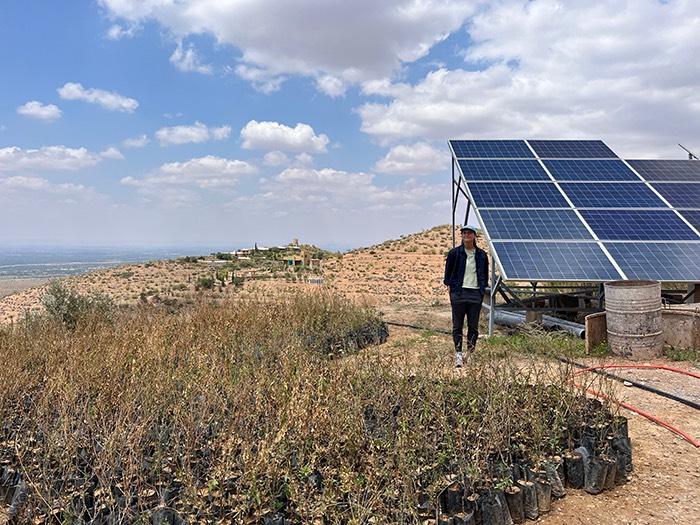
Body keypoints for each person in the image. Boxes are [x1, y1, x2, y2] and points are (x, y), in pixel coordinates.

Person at [443, 225, 489, 367]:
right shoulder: (454, 253)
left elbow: (484, 274)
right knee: (457, 325)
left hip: (475, 293)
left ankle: (470, 354)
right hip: (459, 292)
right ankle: (458, 355)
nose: (466, 235)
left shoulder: (481, 255)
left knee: (473, 326)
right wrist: (451, 290)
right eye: (464, 233)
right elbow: (448, 273)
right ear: (461, 235)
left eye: (469, 233)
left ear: (475, 236)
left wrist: (482, 289)